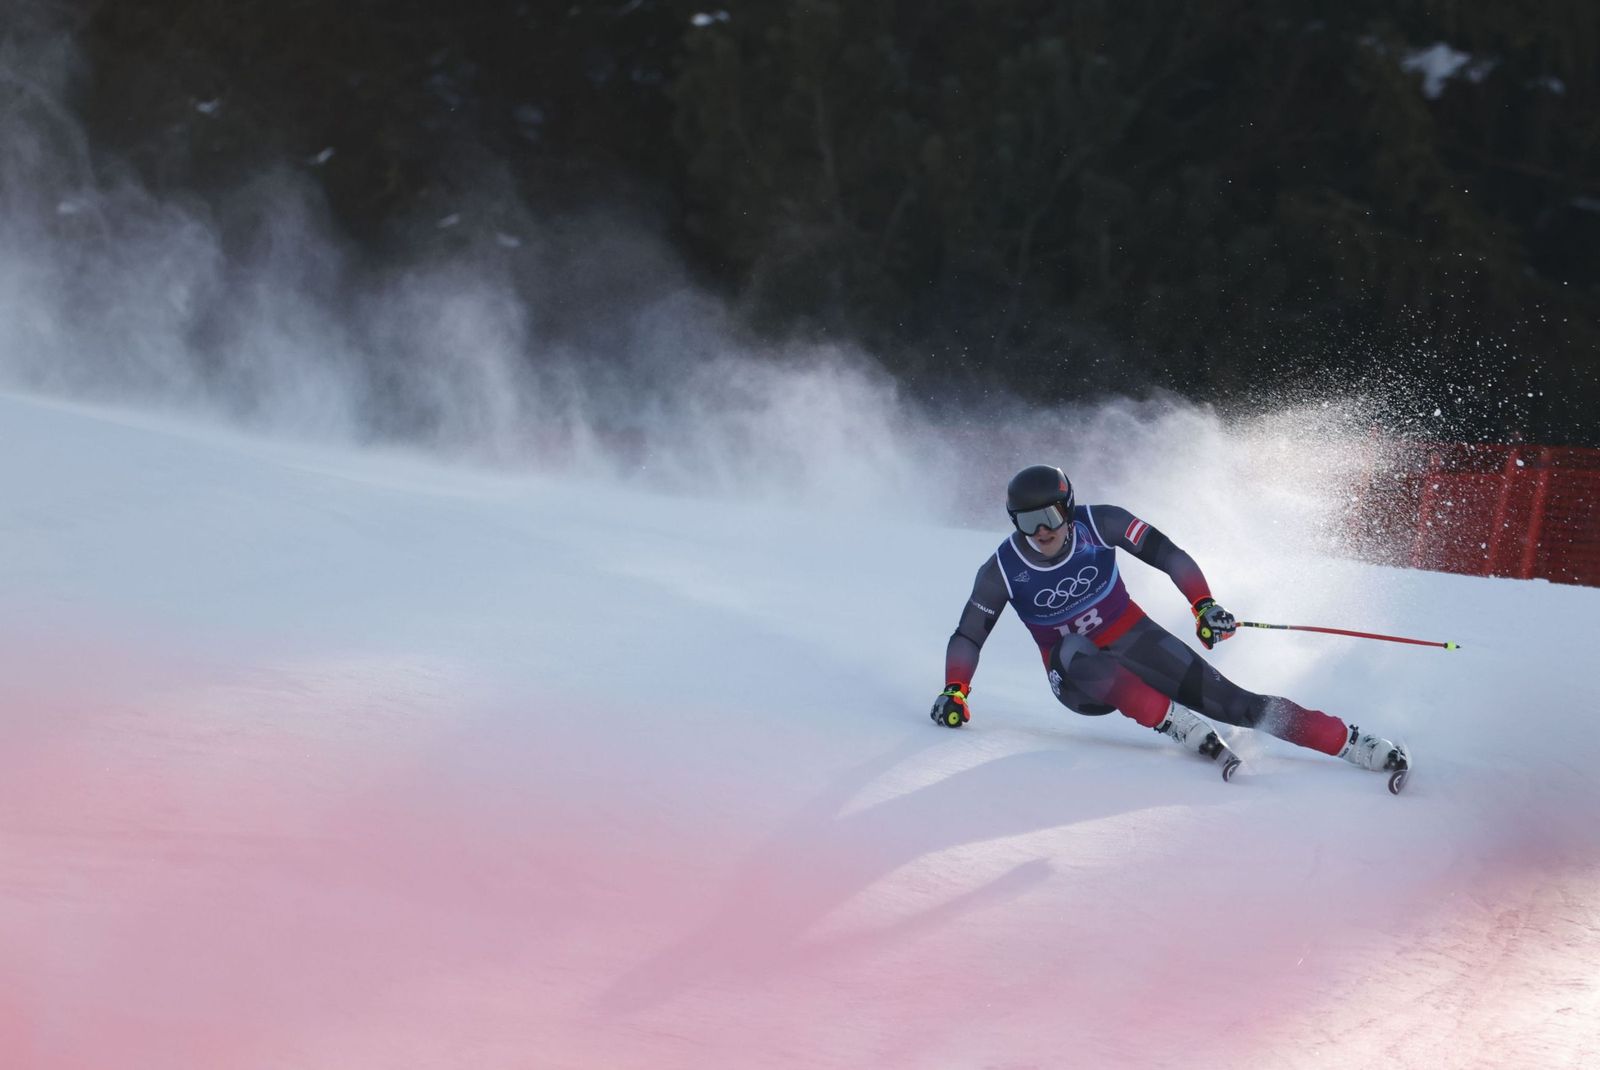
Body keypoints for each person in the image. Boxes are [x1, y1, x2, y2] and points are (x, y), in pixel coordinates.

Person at [931, 463, 1406, 780]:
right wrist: (956, 690)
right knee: (1074, 647)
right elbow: (969, 634)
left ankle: (1350, 742)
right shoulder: (1002, 569)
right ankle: (1173, 722)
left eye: (1051, 516)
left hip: (1136, 641)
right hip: (1078, 679)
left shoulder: (1104, 524)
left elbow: (1168, 554)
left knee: (1237, 703)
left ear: (1069, 507)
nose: (1042, 532)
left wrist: (1203, 604)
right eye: (1027, 521)